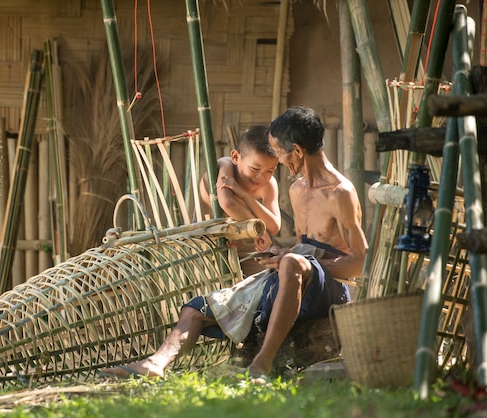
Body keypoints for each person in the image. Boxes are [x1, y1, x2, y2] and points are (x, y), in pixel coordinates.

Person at [99, 106, 368, 382]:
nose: (277, 161)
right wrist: (283, 254)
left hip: (328, 290)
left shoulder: (340, 194)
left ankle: (261, 364)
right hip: (295, 274)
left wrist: (296, 260)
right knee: (198, 309)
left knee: (290, 262)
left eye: (279, 153)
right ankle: (155, 363)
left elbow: (359, 263)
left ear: (297, 151)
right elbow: (300, 249)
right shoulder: (297, 189)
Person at [198, 125, 281, 275]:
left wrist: (246, 195)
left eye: (270, 171)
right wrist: (259, 232)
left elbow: (274, 227)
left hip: (249, 251)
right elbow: (227, 203)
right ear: (236, 157)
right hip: (212, 248)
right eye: (255, 169)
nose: (261, 177)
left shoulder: (269, 184)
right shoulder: (224, 165)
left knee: (266, 285)